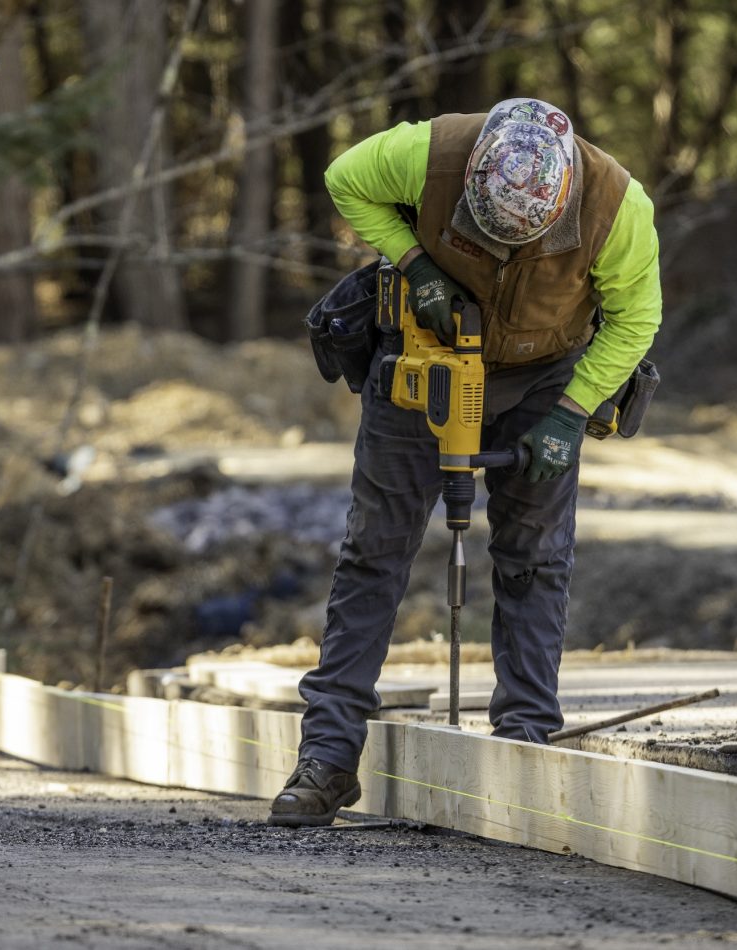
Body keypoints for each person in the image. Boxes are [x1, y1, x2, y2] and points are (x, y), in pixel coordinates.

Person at [270, 98, 662, 826]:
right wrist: (416, 263)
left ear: (559, 204)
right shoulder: (433, 152)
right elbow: (342, 177)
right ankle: (326, 757)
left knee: (536, 556)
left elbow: (637, 319)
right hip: (427, 355)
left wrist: (571, 415)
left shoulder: (617, 206)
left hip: (548, 372)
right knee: (374, 550)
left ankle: (525, 743)